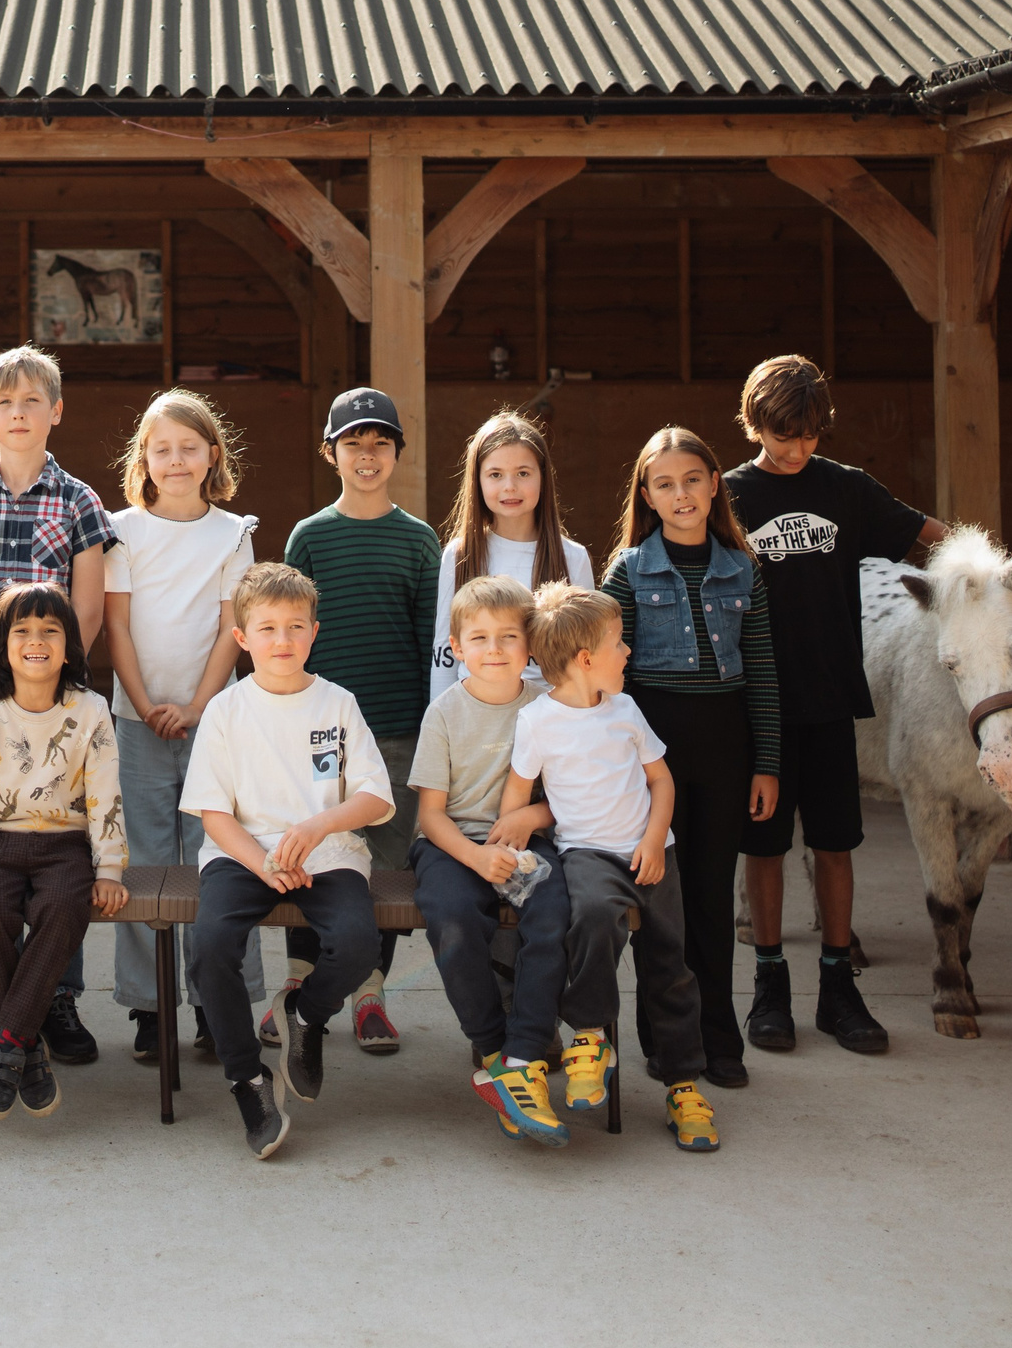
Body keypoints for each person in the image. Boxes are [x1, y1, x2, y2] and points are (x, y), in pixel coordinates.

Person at [724, 354, 944, 1056]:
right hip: (755, 706)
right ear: (753, 422)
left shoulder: (846, 489)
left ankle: (838, 986)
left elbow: (929, 533)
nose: (795, 449)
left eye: (809, 435)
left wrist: (988, 573)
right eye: (782, 435)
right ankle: (767, 983)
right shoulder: (729, 495)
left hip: (828, 701)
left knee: (834, 844)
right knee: (763, 846)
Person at [0, 345, 117, 1063]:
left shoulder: (80, 501)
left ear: (55, 411)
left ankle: (58, 997)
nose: (18, 413)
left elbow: (89, 610)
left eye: (32, 400)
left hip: (54, 710)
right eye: (4, 402)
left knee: (61, 853)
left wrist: (47, 698)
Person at [183, 563, 394, 1160]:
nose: (282, 640)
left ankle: (305, 1011)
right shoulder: (227, 710)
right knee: (212, 946)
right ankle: (247, 1078)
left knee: (358, 945)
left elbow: (376, 796)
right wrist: (262, 864)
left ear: (314, 632)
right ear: (241, 638)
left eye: (295, 626)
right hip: (242, 852)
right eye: (267, 628)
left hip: (327, 852)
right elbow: (213, 814)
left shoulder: (338, 704)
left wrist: (318, 824)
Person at [503, 583, 720, 1153]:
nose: (628, 653)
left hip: (653, 852)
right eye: (618, 643)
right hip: (589, 856)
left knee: (670, 965)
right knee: (593, 920)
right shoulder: (538, 722)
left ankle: (683, 1084)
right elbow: (516, 800)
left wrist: (654, 838)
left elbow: (661, 779)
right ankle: (591, 1038)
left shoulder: (625, 709)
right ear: (584, 659)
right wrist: (529, 821)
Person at [599, 427, 779, 1090]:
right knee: (660, 898)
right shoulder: (627, 570)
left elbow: (761, 669)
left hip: (726, 746)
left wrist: (768, 762)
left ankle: (719, 1036)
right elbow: (604, 678)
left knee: (709, 893)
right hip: (654, 749)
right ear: (646, 495)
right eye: (666, 483)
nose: (682, 494)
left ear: (714, 485)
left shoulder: (742, 566)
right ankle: (666, 1035)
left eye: (693, 480)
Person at [103, 388, 264, 1062]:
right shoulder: (122, 529)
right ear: (144, 457)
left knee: (217, 856)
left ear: (211, 456)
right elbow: (115, 622)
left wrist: (199, 704)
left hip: (214, 721)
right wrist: (143, 703)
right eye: (161, 448)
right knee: (144, 858)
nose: (174, 460)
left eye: (188, 448)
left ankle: (216, 999)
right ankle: (149, 1006)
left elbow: (235, 628)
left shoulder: (233, 533)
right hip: (135, 719)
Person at [278, 387, 439, 1055]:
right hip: (320, 731)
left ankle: (371, 991)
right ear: (331, 452)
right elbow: (287, 638)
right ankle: (298, 982)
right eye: (353, 443)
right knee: (308, 851)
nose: (367, 455)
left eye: (380, 443)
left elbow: (432, 644)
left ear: (398, 452)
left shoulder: (420, 540)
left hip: (398, 731)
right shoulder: (309, 536)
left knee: (386, 861)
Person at [0, 583, 128, 1120]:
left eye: (50, 631)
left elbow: (105, 792)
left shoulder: (91, 710)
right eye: (22, 631)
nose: (36, 640)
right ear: (2, 645)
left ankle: (9, 1043)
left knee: (63, 908)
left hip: (65, 844)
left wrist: (108, 867)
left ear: (70, 647)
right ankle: (27, 1050)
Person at [406, 575, 570, 1147]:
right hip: (453, 843)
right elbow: (430, 815)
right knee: (451, 917)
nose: (494, 650)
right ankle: (494, 1046)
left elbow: (570, 797)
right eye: (479, 637)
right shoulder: (444, 713)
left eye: (508, 637)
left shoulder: (549, 709)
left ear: (530, 646)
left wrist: (531, 819)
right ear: (455, 646)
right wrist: (476, 859)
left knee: (553, 914)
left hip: (528, 841)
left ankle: (526, 1054)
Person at [427, 409, 592, 703]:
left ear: (544, 476)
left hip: (551, 718)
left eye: (523, 473)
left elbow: (588, 654)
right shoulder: (459, 554)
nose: (510, 487)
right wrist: (441, 723)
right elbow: (445, 652)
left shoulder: (573, 557)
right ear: (477, 480)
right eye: (495, 475)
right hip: (477, 714)